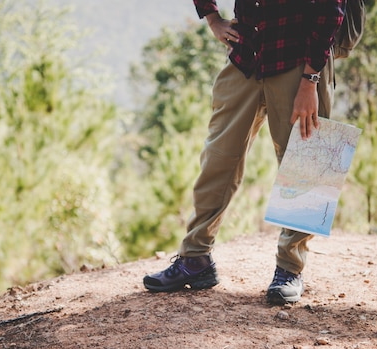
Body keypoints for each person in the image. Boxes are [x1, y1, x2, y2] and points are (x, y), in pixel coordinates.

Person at [143, 0, 347, 304]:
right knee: (218, 159)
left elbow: (332, 9)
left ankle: (290, 268)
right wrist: (212, 19)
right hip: (246, 55)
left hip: (301, 61)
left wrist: (311, 79)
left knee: (307, 161)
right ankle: (195, 258)